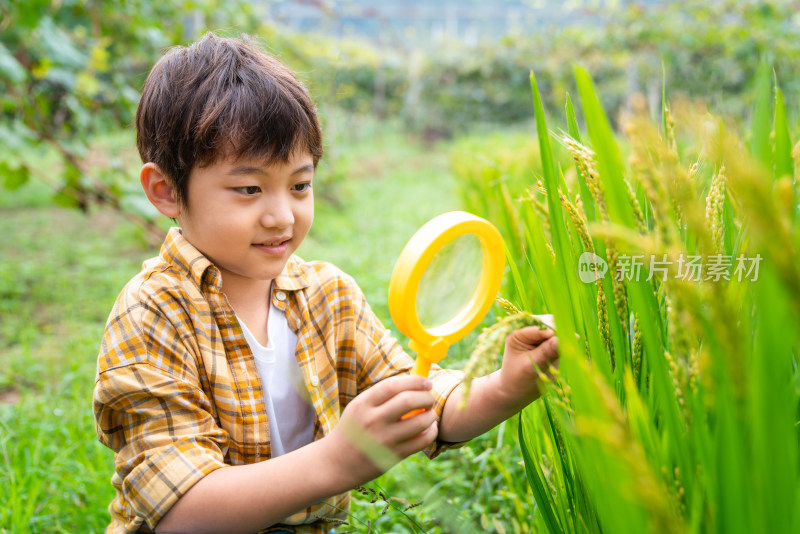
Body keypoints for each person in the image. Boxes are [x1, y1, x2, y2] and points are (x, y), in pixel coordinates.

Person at [93, 32, 559, 534]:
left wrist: (507, 387)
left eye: (300, 185)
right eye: (248, 189)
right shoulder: (153, 315)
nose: (281, 216)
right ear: (165, 191)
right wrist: (337, 461)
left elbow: (424, 405)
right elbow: (181, 513)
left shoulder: (329, 297)